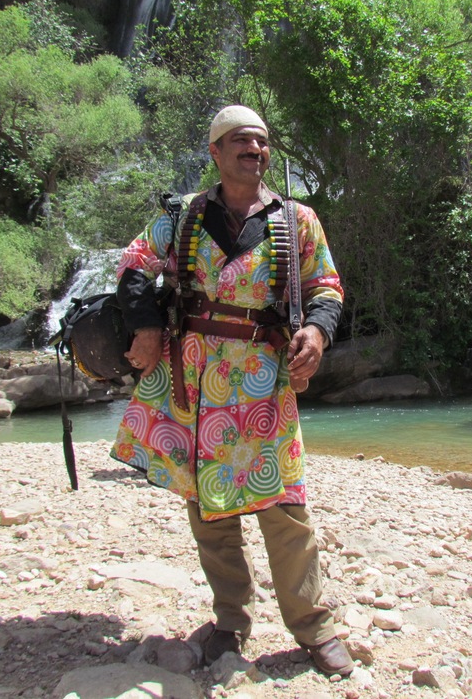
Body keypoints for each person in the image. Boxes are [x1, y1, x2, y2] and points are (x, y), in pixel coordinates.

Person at [112, 105, 354, 677]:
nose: (255, 149)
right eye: (241, 141)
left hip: (265, 384)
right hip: (194, 379)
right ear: (216, 152)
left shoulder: (299, 220)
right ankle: (229, 623)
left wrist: (316, 333)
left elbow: (327, 286)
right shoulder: (184, 216)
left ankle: (314, 628)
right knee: (210, 511)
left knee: (285, 508)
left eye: (262, 141)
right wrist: (146, 326)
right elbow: (134, 265)